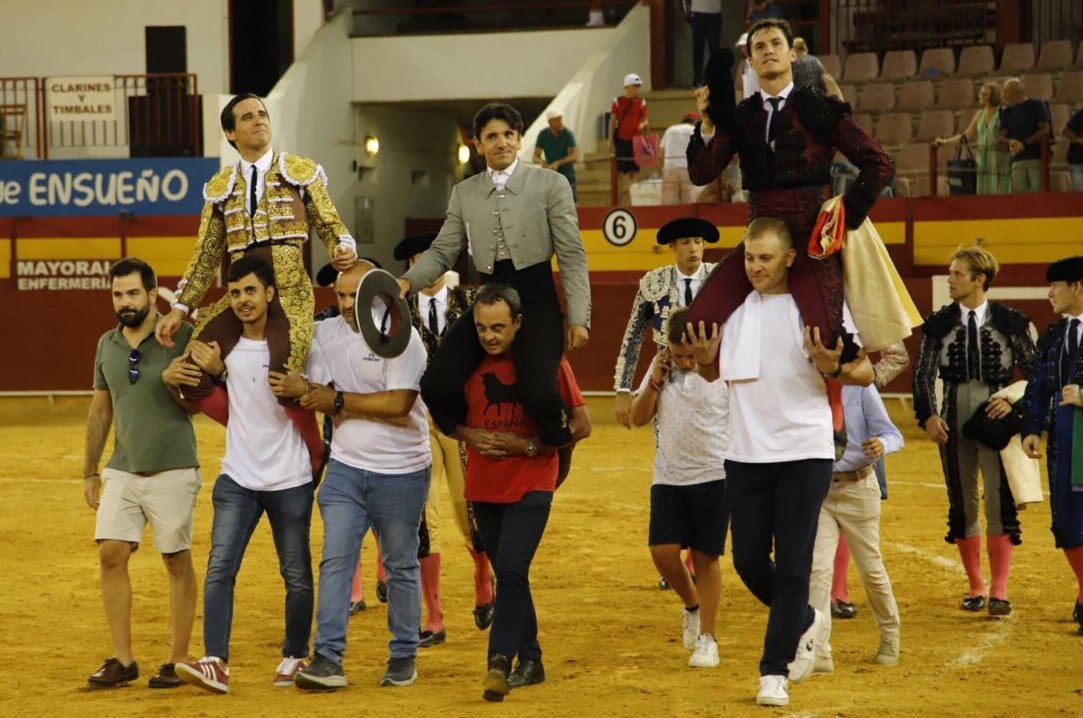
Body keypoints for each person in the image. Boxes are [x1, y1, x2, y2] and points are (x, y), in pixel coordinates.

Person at [684, 217, 874, 708]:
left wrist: (833, 366)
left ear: (790, 257)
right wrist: (705, 360)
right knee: (747, 560)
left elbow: (867, 369)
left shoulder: (817, 307)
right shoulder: (733, 309)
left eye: (765, 258)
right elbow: (712, 374)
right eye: (749, 258)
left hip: (804, 453)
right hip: (744, 453)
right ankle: (805, 619)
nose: (755, 267)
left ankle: (774, 671)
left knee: (792, 565)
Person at [153, 93, 356, 457]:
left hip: (290, 294)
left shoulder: (299, 171)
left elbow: (331, 225)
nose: (259, 120)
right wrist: (180, 309)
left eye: (262, 114)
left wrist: (343, 248)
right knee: (189, 370)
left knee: (284, 380)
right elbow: (206, 256)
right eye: (247, 117)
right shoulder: (219, 188)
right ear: (231, 133)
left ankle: (313, 454)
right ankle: (255, 435)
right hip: (243, 294)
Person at [686, 18, 894, 364]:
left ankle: (834, 415)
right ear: (750, 61)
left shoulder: (817, 107)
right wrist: (707, 125)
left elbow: (880, 162)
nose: (768, 51)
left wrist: (846, 214)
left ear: (791, 55)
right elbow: (700, 172)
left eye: (775, 44)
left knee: (828, 341)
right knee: (697, 325)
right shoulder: (742, 115)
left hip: (811, 237)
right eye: (759, 47)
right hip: (758, 240)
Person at [166, 257, 322, 694]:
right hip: (238, 475)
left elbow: (305, 402)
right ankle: (215, 660)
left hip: (289, 476)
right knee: (220, 568)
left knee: (295, 574)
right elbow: (221, 397)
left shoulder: (296, 345)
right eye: (234, 293)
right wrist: (215, 372)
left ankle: (294, 655)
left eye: (250, 291)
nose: (243, 300)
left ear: (270, 294)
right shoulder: (224, 349)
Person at [398, 102, 590, 454]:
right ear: (478, 145)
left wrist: (579, 318)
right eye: (492, 136)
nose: (501, 142)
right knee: (436, 383)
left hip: (537, 301)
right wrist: (406, 283)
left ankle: (555, 446)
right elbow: (442, 251)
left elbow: (572, 254)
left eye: (508, 135)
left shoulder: (551, 184)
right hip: (487, 303)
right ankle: (473, 437)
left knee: (538, 391)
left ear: (519, 141)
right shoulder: (465, 192)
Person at [286, 259, 431, 690]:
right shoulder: (326, 334)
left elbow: (400, 403)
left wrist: (335, 400)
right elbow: (303, 382)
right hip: (347, 468)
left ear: (378, 293)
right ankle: (328, 658)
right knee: (336, 560)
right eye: (342, 296)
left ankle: (404, 654)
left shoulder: (401, 337)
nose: (348, 305)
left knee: (400, 563)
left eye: (356, 295)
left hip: (402, 469)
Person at [452, 284, 591, 702]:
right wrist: (468, 433)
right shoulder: (465, 363)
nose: (490, 336)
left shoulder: (545, 361)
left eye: (498, 327)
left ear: (517, 323)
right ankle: (532, 659)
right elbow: (447, 415)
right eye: (481, 328)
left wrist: (528, 446)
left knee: (511, 570)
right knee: (511, 574)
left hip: (532, 479)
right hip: (482, 484)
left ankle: (499, 661)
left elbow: (581, 425)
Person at [83, 258, 201, 689]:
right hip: (123, 469)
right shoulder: (106, 344)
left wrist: (175, 383)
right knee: (110, 554)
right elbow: (100, 411)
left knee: (175, 559)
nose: (124, 302)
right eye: (117, 294)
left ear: (154, 295)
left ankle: (177, 659)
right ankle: (122, 659)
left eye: (133, 293)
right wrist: (89, 471)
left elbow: (198, 403)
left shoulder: (182, 335)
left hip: (174, 466)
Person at [912, 246, 1036, 617]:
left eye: (957, 274)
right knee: (961, 501)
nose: (950, 280)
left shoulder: (1010, 321)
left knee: (999, 502)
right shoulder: (939, 322)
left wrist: (1014, 404)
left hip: (995, 420)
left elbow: (1036, 373)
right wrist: (929, 417)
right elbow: (921, 374)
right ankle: (975, 586)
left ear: (979, 279)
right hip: (951, 421)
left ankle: (999, 590)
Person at [396, 232, 496, 640]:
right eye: (418, 260)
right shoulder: (398, 311)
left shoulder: (471, 304)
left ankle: (482, 572)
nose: (426, 267)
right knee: (424, 515)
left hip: (461, 420)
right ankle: (433, 615)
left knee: (464, 505)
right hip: (416, 420)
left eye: (431, 259)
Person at [630, 307, 729, 669]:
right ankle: (692, 605)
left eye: (690, 354)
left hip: (714, 473)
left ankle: (708, 638)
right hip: (669, 475)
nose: (685, 362)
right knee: (662, 553)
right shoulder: (662, 368)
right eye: (678, 355)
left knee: (706, 557)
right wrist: (654, 382)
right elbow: (638, 419)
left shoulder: (721, 369)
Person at [809, 383, 903, 673]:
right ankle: (820, 649)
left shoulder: (861, 388)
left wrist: (882, 445)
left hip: (859, 487)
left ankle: (890, 634)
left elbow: (893, 435)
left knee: (871, 569)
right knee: (817, 571)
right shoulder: (805, 383)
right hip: (818, 490)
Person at [1023, 256, 1083, 633]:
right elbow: (1038, 385)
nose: (1049, 294)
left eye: (1056, 286)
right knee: (1068, 522)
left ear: (1077, 286)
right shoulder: (1054, 336)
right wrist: (1031, 427)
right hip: (1064, 436)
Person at [613, 216, 719, 426]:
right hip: (668, 375)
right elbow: (633, 338)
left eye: (698, 242)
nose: (693, 249)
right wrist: (623, 390)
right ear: (673, 246)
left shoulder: (718, 278)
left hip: (713, 372)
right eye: (686, 242)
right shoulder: (654, 283)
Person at [935, 82, 1012, 195]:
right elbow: (965, 136)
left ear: (993, 96)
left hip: (999, 160)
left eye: (985, 94)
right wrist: (945, 142)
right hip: (982, 161)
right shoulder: (979, 114)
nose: (980, 95)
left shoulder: (1003, 113)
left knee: (999, 193)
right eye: (981, 93)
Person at [999, 78, 1052, 193]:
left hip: (1036, 157)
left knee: (1037, 192)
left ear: (1016, 91)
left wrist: (1024, 144)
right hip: (1017, 159)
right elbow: (1002, 136)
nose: (1003, 95)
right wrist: (1011, 142)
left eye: (1006, 91)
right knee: (1019, 195)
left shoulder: (1036, 105)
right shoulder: (1006, 112)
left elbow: (1045, 129)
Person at [609, 74, 650, 204]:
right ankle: (622, 200)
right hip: (622, 140)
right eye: (635, 86)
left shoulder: (641, 102)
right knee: (621, 172)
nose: (637, 89)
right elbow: (612, 121)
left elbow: (645, 120)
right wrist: (610, 139)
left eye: (638, 86)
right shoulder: (617, 101)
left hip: (636, 141)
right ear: (627, 86)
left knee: (634, 171)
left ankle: (634, 200)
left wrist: (642, 125)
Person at [534, 109, 578, 201]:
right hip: (550, 175)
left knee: (570, 202)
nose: (560, 122)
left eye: (561, 119)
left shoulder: (568, 134)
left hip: (567, 175)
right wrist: (544, 163)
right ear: (550, 122)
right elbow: (535, 157)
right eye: (557, 120)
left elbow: (574, 156)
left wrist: (558, 163)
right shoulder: (543, 134)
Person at [660, 113, 701, 204]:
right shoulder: (695, 131)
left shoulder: (670, 130)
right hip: (688, 170)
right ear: (695, 122)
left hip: (670, 169)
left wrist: (662, 169)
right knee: (689, 202)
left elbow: (661, 151)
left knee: (669, 202)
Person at [681, 0, 722, 88]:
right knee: (698, 48)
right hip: (697, 11)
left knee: (714, 49)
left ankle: (716, 79)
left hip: (714, 12)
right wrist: (685, 9)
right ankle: (697, 79)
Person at [736, 33, 760, 100]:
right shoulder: (743, 64)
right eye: (742, 47)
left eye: (745, 46)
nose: (743, 50)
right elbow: (739, 87)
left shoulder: (761, 62)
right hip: (747, 102)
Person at [1063, 107, 1083, 192]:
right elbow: (1066, 131)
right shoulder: (1081, 114)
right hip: (1077, 159)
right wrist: (1078, 139)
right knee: (1079, 193)